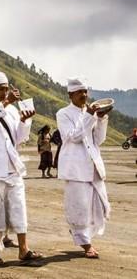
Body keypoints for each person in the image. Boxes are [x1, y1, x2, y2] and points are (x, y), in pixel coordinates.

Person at [0, 71, 42, 265]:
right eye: (1, 89)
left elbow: (18, 139)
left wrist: (25, 120)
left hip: (11, 166)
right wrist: (4, 103)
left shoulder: (11, 110)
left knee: (19, 207)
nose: (5, 92)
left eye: (6, 89)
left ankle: (23, 249)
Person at [56, 77, 111, 259]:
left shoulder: (91, 114)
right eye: (80, 92)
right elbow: (73, 137)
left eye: (85, 92)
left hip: (93, 165)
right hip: (76, 168)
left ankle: (82, 234)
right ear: (71, 94)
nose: (84, 95)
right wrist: (89, 116)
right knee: (79, 206)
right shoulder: (63, 114)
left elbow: (99, 140)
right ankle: (86, 244)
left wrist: (101, 119)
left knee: (99, 206)